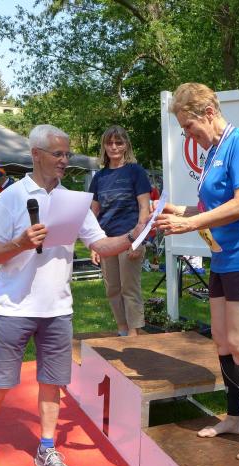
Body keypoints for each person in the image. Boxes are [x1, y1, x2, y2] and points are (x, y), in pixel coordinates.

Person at [0, 124, 144, 466]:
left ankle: (46, 447)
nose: (64, 160)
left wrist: (135, 234)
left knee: (52, 383)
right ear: (36, 155)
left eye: (67, 154)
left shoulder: (74, 201)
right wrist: (20, 243)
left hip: (58, 310)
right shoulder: (10, 198)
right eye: (58, 154)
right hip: (15, 308)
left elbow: (101, 244)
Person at [154, 83, 239, 462]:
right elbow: (210, 210)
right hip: (224, 257)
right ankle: (235, 417)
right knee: (223, 342)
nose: (188, 134)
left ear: (209, 113)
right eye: (183, 129)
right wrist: (178, 211)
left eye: (189, 126)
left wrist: (190, 224)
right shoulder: (213, 152)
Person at [88, 126, 151, 336]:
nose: (114, 147)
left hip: (130, 238)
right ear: (104, 146)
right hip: (106, 241)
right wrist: (93, 244)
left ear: (126, 146)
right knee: (112, 289)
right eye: (110, 143)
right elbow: (93, 213)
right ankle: (122, 330)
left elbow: (144, 208)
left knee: (129, 288)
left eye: (119, 142)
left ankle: (134, 333)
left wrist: (138, 240)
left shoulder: (136, 171)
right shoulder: (99, 177)